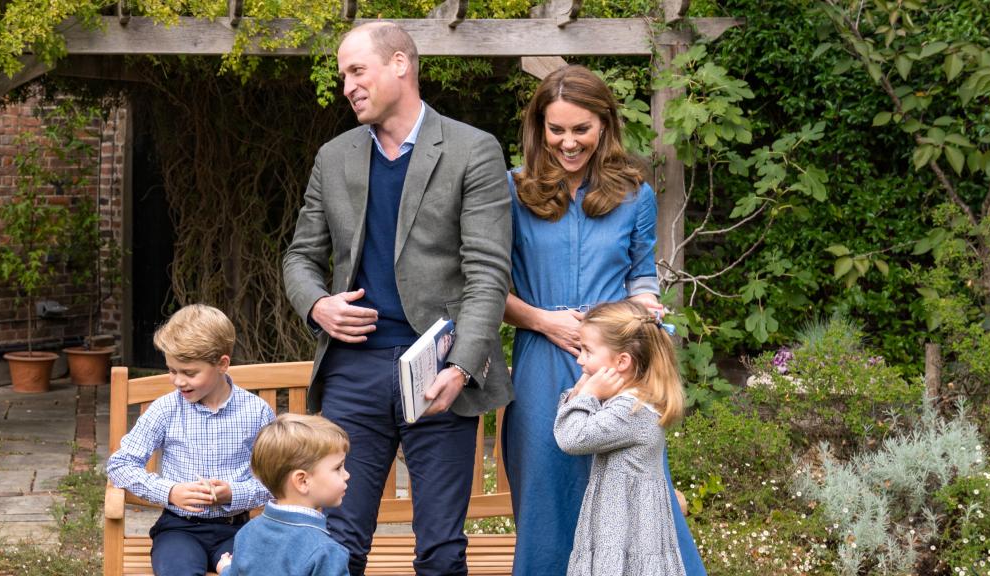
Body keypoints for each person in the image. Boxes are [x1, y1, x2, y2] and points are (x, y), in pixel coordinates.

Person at [281, 22, 512, 576]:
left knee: (439, 550)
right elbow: (299, 258)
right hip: (352, 371)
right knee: (337, 542)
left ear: (401, 65)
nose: (347, 86)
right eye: (343, 75)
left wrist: (460, 368)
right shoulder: (333, 157)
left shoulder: (472, 150)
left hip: (438, 371)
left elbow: (488, 273)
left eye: (357, 70)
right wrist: (317, 305)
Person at [500, 64, 705, 575]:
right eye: (557, 130)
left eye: (581, 130)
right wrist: (546, 322)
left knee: (632, 491)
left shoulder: (634, 194)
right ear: (539, 129)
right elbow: (488, 290)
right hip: (541, 363)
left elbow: (641, 275)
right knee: (546, 492)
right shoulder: (512, 190)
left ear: (605, 126)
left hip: (617, 367)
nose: (568, 143)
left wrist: (645, 307)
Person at [106, 304, 275, 576]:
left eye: (189, 373)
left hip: (237, 529)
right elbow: (120, 465)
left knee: (253, 569)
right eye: (172, 370)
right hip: (178, 530)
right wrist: (170, 491)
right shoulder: (165, 410)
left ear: (222, 364)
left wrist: (234, 493)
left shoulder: (256, 412)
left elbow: (278, 479)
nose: (178, 381)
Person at [554, 300, 688, 576]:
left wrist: (586, 393)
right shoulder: (631, 402)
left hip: (625, 532)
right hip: (624, 525)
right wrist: (584, 392)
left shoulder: (630, 410)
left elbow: (571, 437)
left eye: (587, 351)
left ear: (622, 361)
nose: (579, 359)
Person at [217, 414, 351, 576]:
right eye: (338, 468)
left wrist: (226, 569)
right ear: (302, 481)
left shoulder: (248, 532)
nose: (346, 475)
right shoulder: (325, 552)